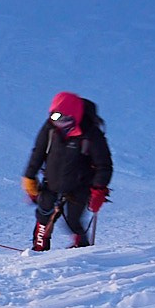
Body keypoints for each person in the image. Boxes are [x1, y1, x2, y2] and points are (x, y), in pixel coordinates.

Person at [22, 91, 112, 251]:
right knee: (44, 215)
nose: (60, 124)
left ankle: (80, 250)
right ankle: (39, 250)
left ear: (75, 116)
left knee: (73, 220)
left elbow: (104, 165)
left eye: (65, 119)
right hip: (52, 182)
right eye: (56, 118)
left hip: (80, 186)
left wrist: (99, 188)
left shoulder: (91, 134)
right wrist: (29, 177)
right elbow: (38, 152)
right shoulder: (50, 127)